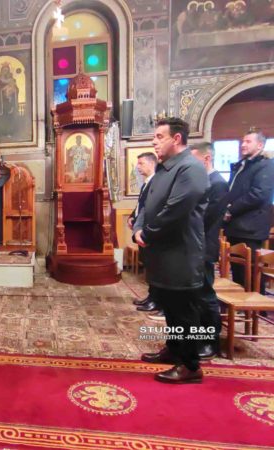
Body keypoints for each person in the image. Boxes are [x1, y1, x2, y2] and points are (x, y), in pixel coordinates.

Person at [133, 117, 208, 384]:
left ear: (176, 139)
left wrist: (147, 233)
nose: (154, 141)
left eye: (159, 136)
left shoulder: (190, 168)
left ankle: (190, 365)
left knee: (184, 312)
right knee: (170, 308)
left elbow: (176, 209)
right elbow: (146, 205)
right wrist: (138, 228)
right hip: (162, 253)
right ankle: (174, 350)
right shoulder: (165, 168)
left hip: (181, 254)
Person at [223, 129, 274, 294]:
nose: (243, 145)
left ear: (260, 145)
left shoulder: (266, 165)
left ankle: (254, 303)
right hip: (236, 226)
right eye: (243, 141)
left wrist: (231, 210)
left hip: (250, 228)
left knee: (250, 275)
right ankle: (241, 301)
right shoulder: (243, 165)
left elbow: (258, 194)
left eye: (248, 141)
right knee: (238, 273)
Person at [191, 142, 229, 358]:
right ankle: (196, 338)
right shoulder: (203, 181)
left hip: (204, 246)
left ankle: (210, 342)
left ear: (206, 159)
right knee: (194, 296)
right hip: (194, 244)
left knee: (205, 295)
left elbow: (206, 218)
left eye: (194, 160)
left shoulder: (218, 184)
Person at [127, 152, 159, 314]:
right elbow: (141, 205)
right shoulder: (146, 183)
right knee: (149, 265)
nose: (138, 167)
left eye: (141, 163)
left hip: (148, 230)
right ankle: (151, 297)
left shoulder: (157, 182)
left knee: (155, 267)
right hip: (141, 229)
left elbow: (151, 208)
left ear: (152, 164)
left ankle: (157, 300)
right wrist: (132, 216)